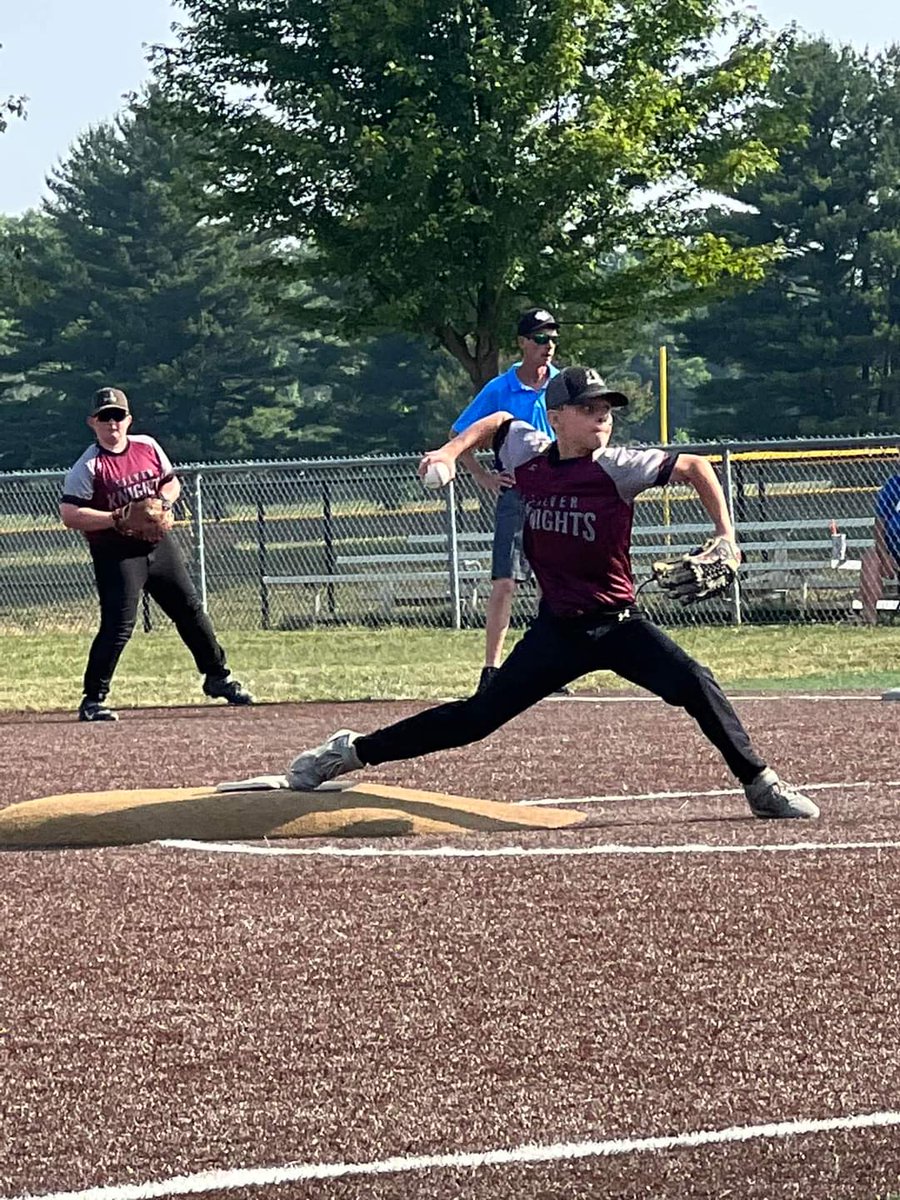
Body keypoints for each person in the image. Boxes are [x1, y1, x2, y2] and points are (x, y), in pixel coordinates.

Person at [286, 366, 819, 820]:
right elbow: (496, 422)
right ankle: (350, 752)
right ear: (558, 416)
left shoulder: (617, 466)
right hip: (558, 630)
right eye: (588, 408)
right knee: (476, 719)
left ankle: (760, 785)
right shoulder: (531, 455)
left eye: (607, 408)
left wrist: (726, 538)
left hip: (617, 625)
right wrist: (449, 452)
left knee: (694, 681)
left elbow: (696, 467)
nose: (602, 416)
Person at [60, 387, 253, 721]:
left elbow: (171, 482)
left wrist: (163, 502)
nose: (112, 424)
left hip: (157, 545)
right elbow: (69, 514)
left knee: (189, 610)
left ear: (128, 419)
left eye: (118, 416)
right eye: (105, 417)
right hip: (117, 554)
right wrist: (114, 518)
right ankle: (93, 699)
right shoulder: (89, 466)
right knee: (119, 625)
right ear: (93, 423)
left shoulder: (147, 446)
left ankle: (218, 677)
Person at [451, 307, 561, 694]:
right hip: (517, 492)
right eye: (540, 338)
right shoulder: (500, 388)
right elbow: (459, 433)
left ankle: (550, 665)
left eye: (553, 337)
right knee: (505, 581)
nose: (549, 346)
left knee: (552, 581)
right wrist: (482, 475)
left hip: (557, 494)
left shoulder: (563, 384)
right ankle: (491, 670)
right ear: (523, 343)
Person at [860, 464, 900, 699]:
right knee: (870, 559)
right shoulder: (893, 486)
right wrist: (884, 555)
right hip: (893, 550)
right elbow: (880, 525)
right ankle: (869, 616)